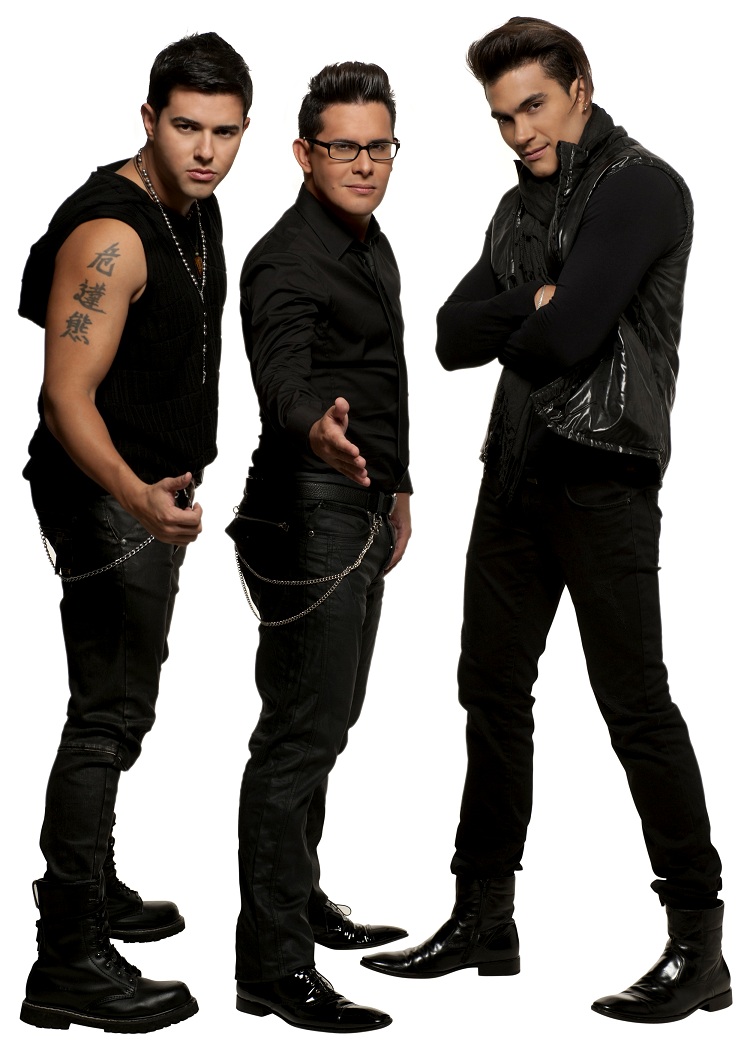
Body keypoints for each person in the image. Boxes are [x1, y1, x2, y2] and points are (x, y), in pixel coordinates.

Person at [361, 16, 731, 1025]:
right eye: (501, 116)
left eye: (533, 106)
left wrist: (540, 316)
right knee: (489, 690)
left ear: (580, 89)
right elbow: (450, 335)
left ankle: (698, 941)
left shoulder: (642, 188)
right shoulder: (518, 207)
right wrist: (539, 298)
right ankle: (484, 916)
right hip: (515, 469)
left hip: (605, 473)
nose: (520, 131)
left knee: (635, 705)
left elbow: (567, 338)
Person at [18, 32, 251, 1034]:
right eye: (186, 127)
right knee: (108, 717)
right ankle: (67, 956)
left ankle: (89, 883)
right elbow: (65, 396)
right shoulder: (112, 234)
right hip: (108, 498)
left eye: (225, 132)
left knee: (116, 707)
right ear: (149, 119)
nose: (206, 151)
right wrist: (136, 496)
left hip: (146, 496)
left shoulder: (191, 206)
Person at [226, 61, 410, 1034]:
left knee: (328, 724)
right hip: (305, 513)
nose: (364, 163)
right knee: (297, 737)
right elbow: (284, 377)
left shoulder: (371, 246)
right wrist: (318, 431)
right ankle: (272, 967)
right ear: (304, 153)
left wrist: (398, 485)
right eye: (344, 146)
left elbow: (382, 378)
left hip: (359, 507)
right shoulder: (285, 260)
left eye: (379, 146)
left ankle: (296, 900)